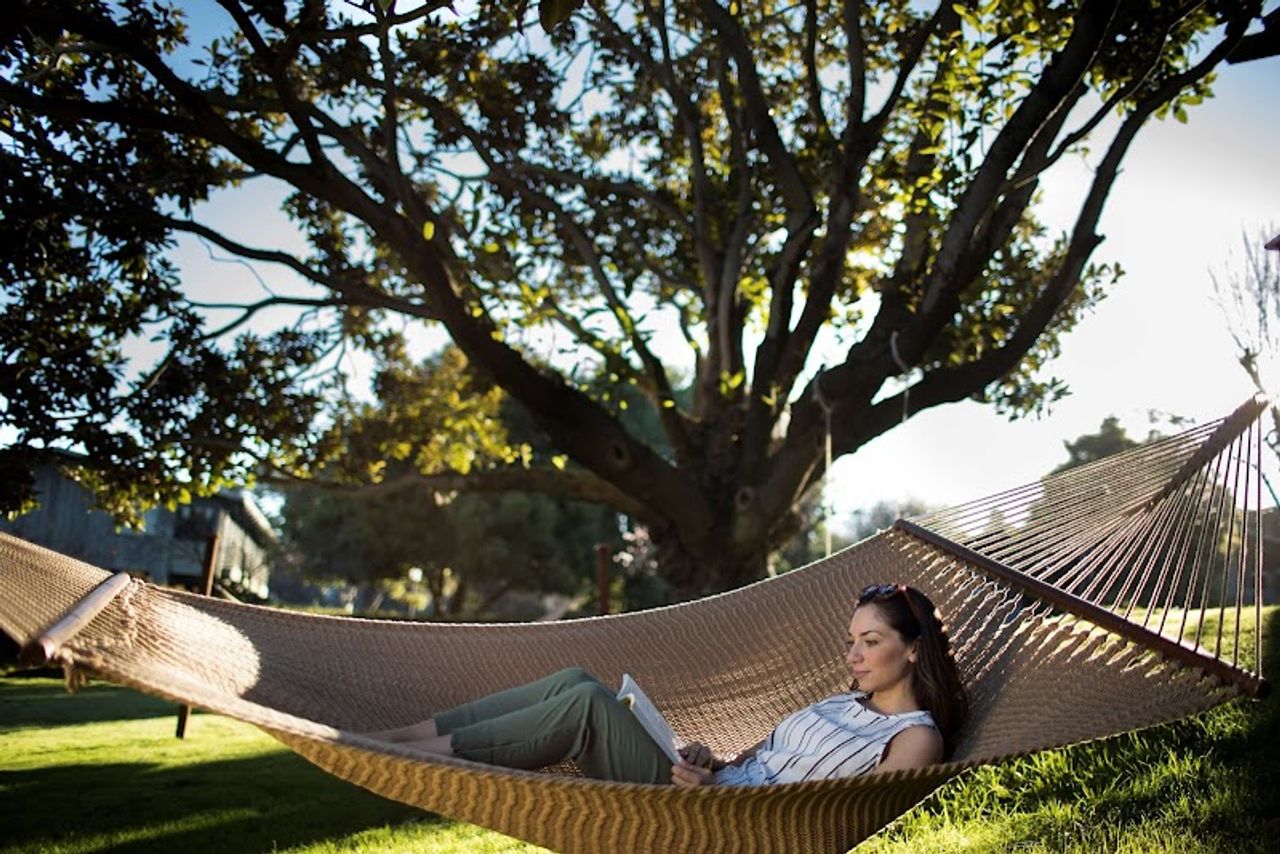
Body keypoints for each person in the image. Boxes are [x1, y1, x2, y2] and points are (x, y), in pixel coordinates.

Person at [365, 583, 968, 788]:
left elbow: (829, 814)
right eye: (851, 641)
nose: (854, 655)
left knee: (586, 705)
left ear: (913, 649)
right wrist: (711, 760)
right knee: (577, 680)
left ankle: (411, 754)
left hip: (724, 824)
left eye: (871, 642)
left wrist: (716, 791)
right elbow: (758, 760)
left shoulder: (915, 740)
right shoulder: (844, 701)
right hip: (710, 784)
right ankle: (409, 734)